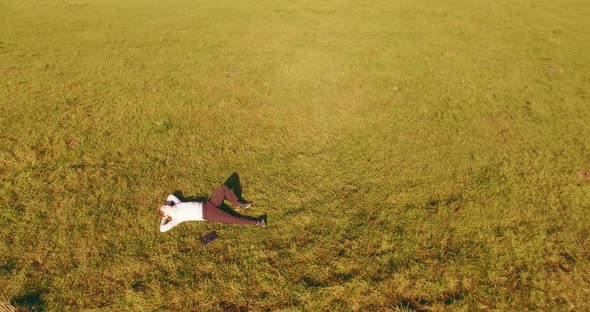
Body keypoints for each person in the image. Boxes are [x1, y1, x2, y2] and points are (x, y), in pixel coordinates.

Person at [158, 174, 266, 232]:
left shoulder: (176, 204)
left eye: (164, 205)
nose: (165, 205)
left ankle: (237, 203)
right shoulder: (177, 218)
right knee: (233, 218)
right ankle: (257, 222)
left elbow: (170, 196)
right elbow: (162, 229)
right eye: (164, 208)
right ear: (167, 215)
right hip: (208, 214)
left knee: (222, 188)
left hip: (208, 204)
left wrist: (168, 206)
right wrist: (164, 218)